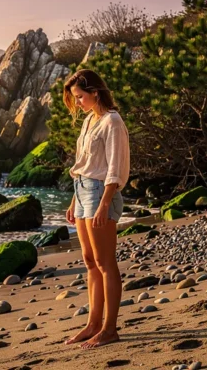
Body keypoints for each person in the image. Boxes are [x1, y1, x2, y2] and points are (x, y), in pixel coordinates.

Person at [62, 69, 130, 348]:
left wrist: (104, 203)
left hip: (101, 192)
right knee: (90, 261)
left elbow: (114, 168)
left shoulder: (112, 121)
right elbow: (83, 164)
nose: (77, 103)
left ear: (95, 92)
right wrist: (73, 200)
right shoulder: (90, 120)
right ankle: (92, 324)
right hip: (82, 192)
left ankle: (110, 329)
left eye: (80, 97)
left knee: (105, 263)